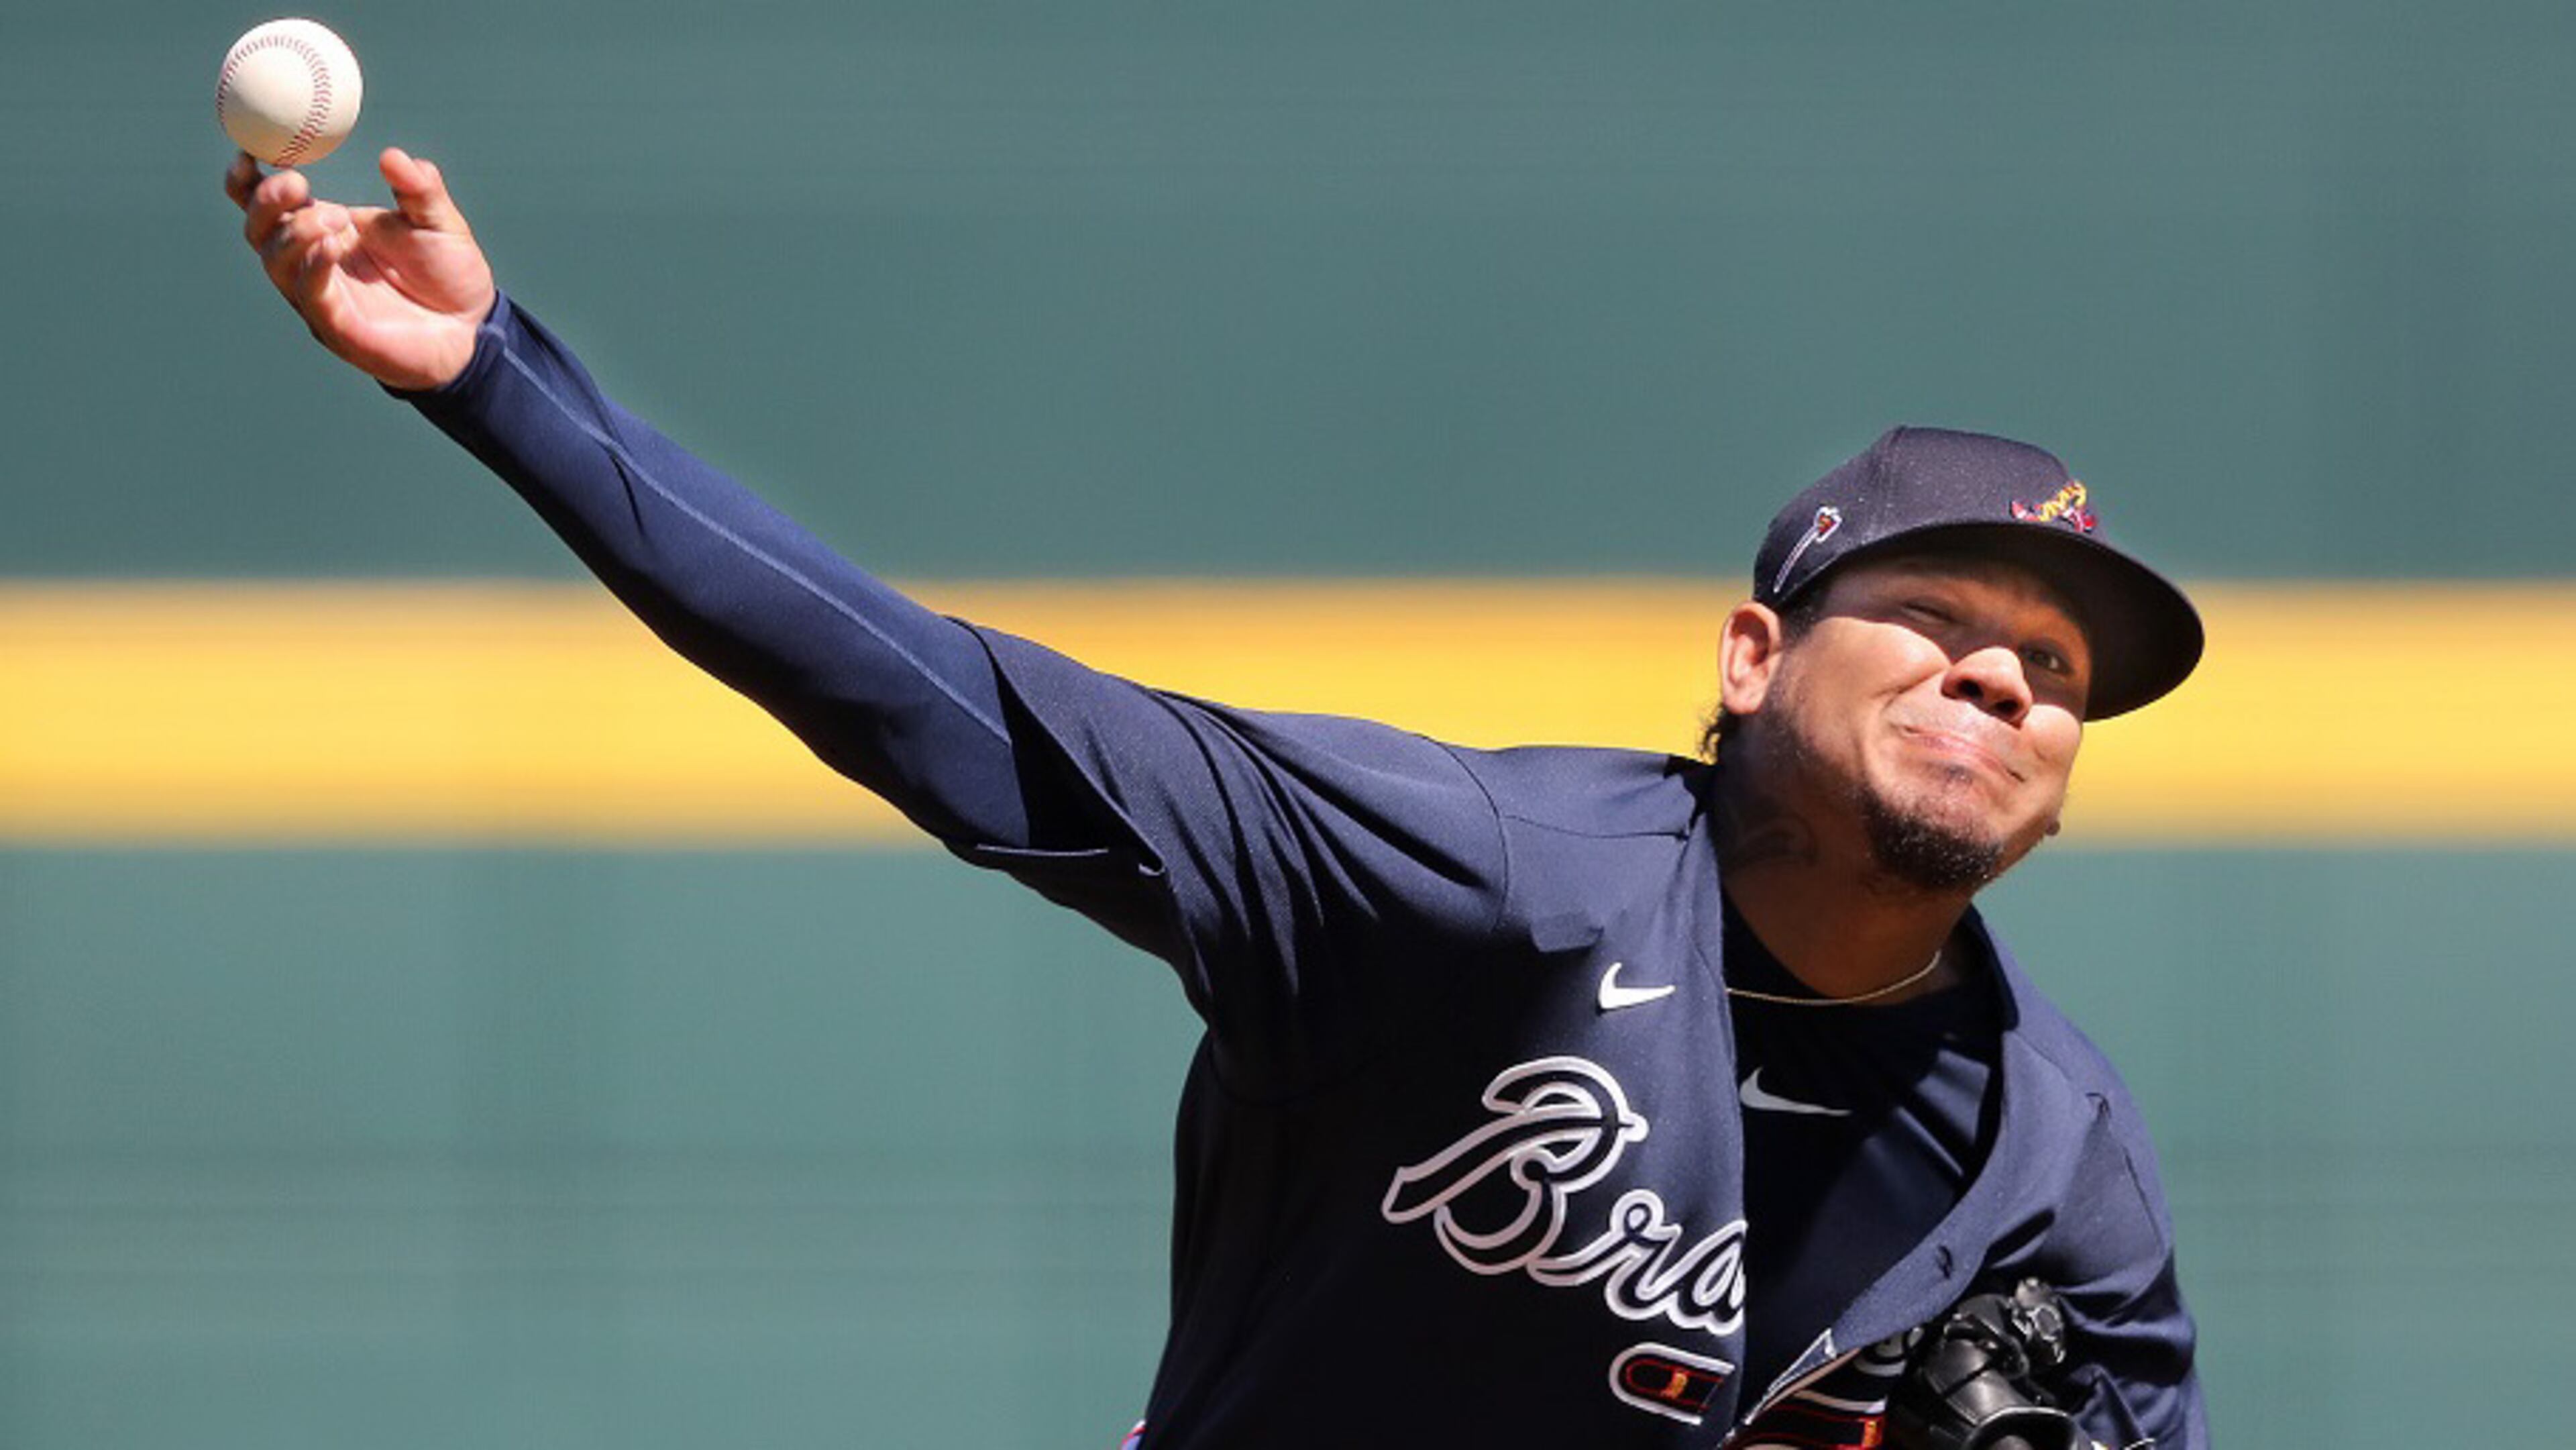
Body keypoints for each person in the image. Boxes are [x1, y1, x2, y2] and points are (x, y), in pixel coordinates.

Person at [226, 148, 2208, 1449]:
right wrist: (500, 378)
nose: (2002, 677)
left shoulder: (2052, 1152)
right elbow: (929, 697)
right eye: (1938, 613)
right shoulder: (1490, 880)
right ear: (1752, 659)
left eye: (2056, 671)